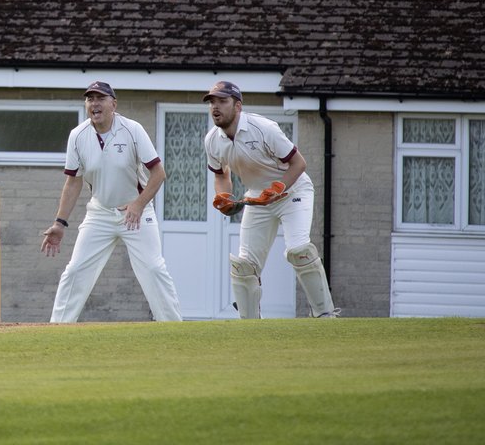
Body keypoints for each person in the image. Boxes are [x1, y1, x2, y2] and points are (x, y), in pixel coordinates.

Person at [40, 81, 183, 323]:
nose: (94, 104)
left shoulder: (132, 130)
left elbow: (159, 174)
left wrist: (138, 204)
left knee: (153, 269)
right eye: (90, 99)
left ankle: (173, 328)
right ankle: (57, 328)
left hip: (136, 212)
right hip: (100, 214)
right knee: (75, 270)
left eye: (100, 98)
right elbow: (73, 182)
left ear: (113, 104)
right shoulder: (78, 136)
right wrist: (59, 223)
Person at [203, 80, 339, 318]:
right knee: (244, 266)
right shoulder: (212, 140)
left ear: (238, 106)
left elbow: (299, 164)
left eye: (222, 101)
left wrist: (277, 188)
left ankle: (325, 315)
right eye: (212, 102)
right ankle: (251, 324)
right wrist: (223, 196)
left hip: (292, 192)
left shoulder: (264, 128)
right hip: (257, 197)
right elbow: (221, 175)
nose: (215, 107)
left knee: (299, 250)